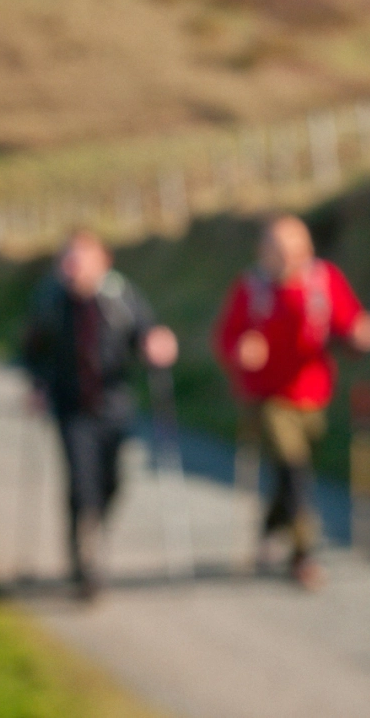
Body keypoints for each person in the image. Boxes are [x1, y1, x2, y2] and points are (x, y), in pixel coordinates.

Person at [215, 214, 370, 589]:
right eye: (279, 250)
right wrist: (242, 350)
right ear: (263, 252)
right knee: (293, 468)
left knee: (294, 472)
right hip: (266, 397)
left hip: (313, 395)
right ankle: (303, 555)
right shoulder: (251, 288)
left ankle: (271, 525)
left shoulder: (324, 280)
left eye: (296, 250)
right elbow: (226, 337)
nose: (289, 258)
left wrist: (358, 334)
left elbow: (348, 322)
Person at [22, 230, 178, 597]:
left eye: (81, 258)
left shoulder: (120, 296)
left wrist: (157, 345)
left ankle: (92, 530)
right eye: (68, 259)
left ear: (103, 261)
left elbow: (146, 333)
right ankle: (85, 559)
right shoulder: (51, 300)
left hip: (114, 405)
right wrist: (37, 385)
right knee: (81, 482)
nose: (73, 267)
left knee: (111, 482)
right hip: (71, 406)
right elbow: (33, 347)